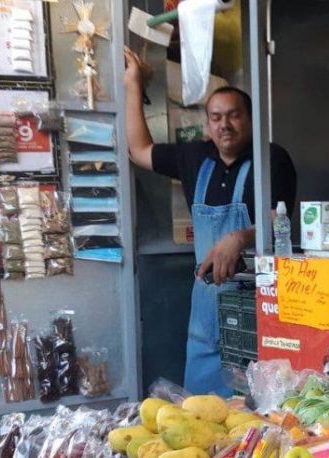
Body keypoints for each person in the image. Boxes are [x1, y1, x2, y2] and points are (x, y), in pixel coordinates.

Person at [123, 47, 296, 396]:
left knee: (254, 415)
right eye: (216, 117)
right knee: (200, 413)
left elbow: (279, 219)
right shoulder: (194, 157)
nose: (224, 125)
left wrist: (239, 238)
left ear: (251, 120)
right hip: (205, 314)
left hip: (255, 313)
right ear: (207, 124)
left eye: (233, 116)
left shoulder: (271, 158)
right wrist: (133, 85)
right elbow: (138, 151)